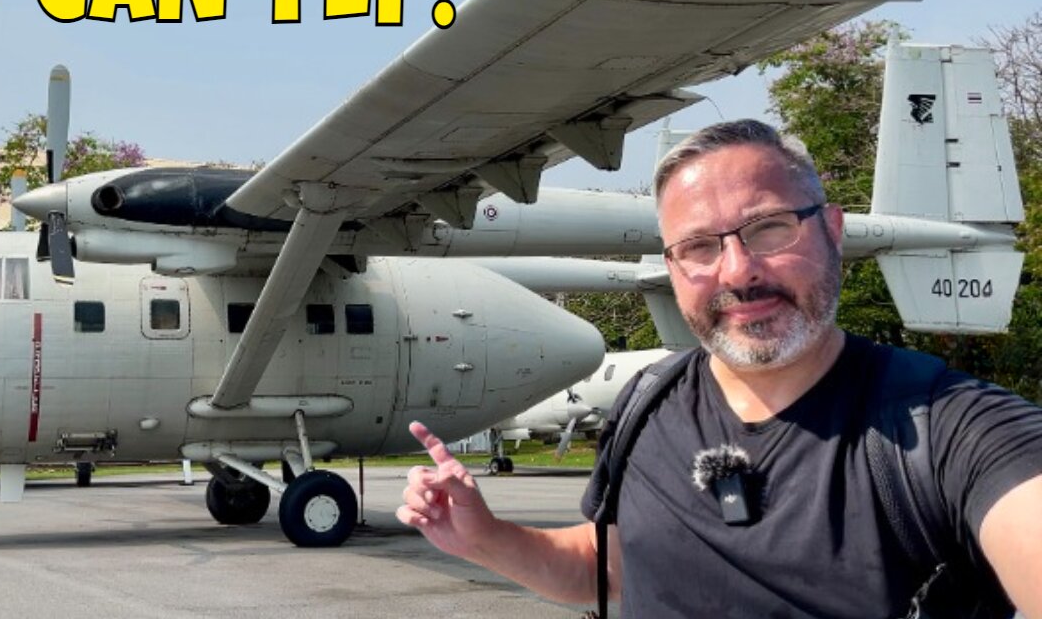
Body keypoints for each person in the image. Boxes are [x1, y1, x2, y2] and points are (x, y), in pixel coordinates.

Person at [396, 120, 1042, 618]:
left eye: (769, 229)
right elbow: (610, 564)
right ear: (674, 269)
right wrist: (485, 538)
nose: (737, 271)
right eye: (699, 247)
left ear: (834, 231)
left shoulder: (952, 428)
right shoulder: (649, 406)